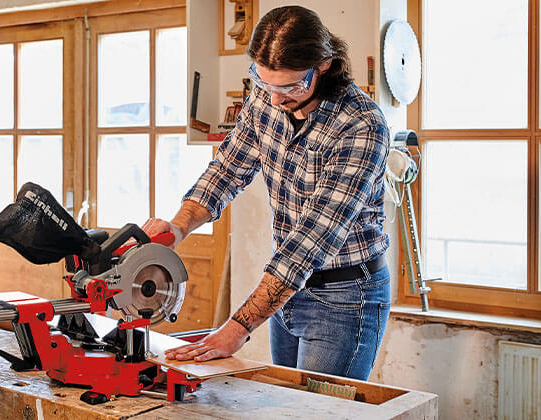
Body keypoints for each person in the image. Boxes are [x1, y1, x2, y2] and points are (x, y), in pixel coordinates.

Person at [142, 5, 391, 381]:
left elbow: (308, 244)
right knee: (284, 401)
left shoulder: (362, 126)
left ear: (324, 65)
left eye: (289, 87)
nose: (274, 99)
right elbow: (226, 171)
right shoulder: (266, 96)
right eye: (264, 82)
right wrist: (177, 228)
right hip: (287, 291)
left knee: (316, 407)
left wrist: (236, 328)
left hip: (344, 297)